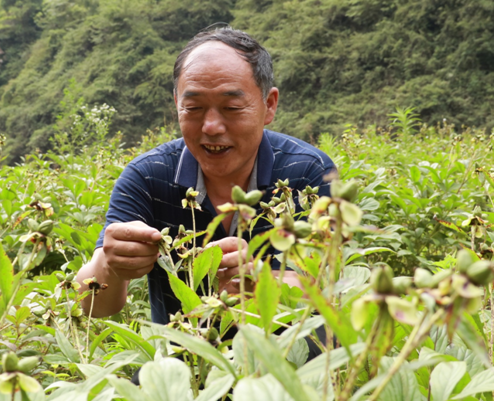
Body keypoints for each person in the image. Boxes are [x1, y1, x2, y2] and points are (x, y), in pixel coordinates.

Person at [76, 27, 335, 350]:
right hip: (185, 369)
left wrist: (262, 282)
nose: (211, 127)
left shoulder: (309, 172)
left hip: (288, 361)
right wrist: (111, 264)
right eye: (194, 108)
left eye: (232, 108)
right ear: (176, 104)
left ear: (269, 105)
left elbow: (329, 289)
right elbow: (95, 307)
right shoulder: (146, 177)